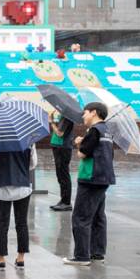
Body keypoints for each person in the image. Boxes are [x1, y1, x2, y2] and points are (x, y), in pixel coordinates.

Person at [64, 101, 115, 267]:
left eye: (85, 112)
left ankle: (81, 256)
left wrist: (79, 143)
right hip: (104, 178)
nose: (83, 116)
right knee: (98, 216)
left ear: (94, 112)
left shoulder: (94, 130)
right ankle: (97, 253)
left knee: (81, 217)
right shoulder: (107, 131)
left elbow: (83, 154)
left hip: (91, 178)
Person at [0, 147, 32, 270]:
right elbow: (32, 164)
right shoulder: (27, 141)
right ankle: (20, 258)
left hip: (3, 187)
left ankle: (1, 260)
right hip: (23, 186)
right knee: (22, 223)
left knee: (2, 223)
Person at [49, 110, 76, 212]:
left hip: (62, 147)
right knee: (60, 175)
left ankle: (66, 202)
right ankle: (63, 200)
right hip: (59, 146)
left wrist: (51, 122)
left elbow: (60, 133)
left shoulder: (66, 115)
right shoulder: (63, 115)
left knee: (63, 175)